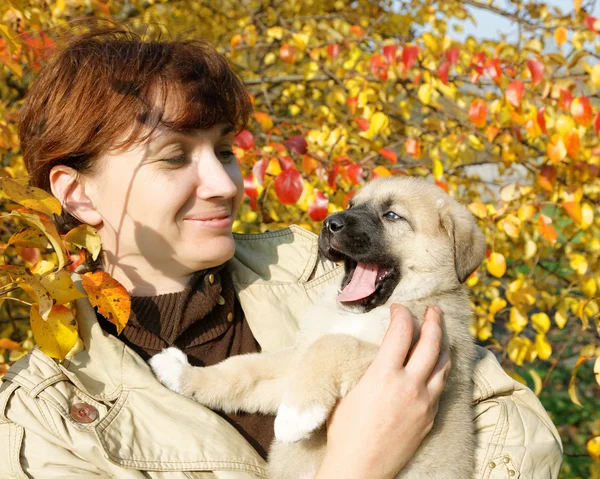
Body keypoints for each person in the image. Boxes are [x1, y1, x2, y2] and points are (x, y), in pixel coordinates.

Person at [0, 26, 562, 478]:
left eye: (223, 150)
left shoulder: (308, 267)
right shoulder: (44, 417)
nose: (223, 183)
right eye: (173, 157)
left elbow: (522, 436)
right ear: (78, 194)